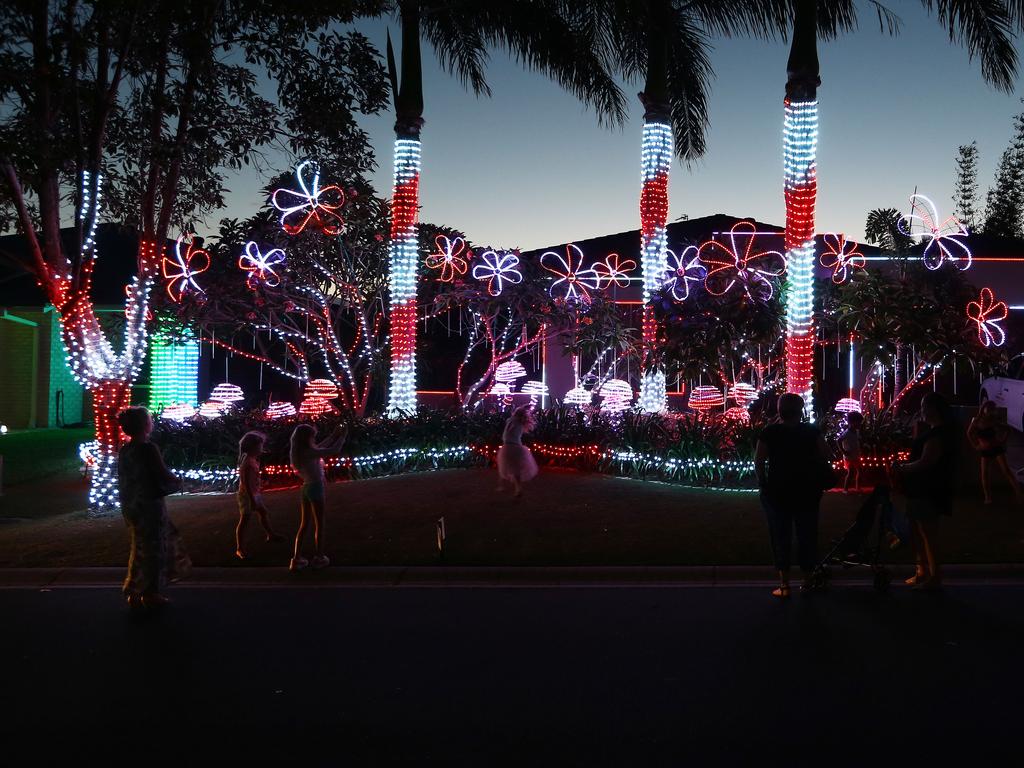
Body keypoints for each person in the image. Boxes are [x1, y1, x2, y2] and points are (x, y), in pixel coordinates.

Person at [754, 393, 829, 598]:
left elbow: (759, 460)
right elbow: (825, 454)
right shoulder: (811, 431)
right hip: (807, 490)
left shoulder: (770, 432)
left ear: (780, 410)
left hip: (778, 491)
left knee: (780, 534)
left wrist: (763, 484)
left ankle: (784, 583)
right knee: (807, 534)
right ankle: (807, 579)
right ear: (800, 409)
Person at [116, 406, 191, 609]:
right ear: (145, 425)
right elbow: (162, 473)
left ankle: (134, 590)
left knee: (139, 547)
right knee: (155, 548)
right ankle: (151, 592)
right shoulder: (148, 449)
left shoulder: (125, 450)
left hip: (132, 505)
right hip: (150, 504)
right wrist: (178, 481)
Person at [894, 393, 959, 590]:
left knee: (928, 534)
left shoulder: (937, 434)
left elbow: (926, 462)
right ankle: (921, 572)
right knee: (916, 532)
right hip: (919, 489)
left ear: (934, 409)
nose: (921, 410)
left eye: (924, 406)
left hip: (928, 489)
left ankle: (934, 576)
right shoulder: (934, 431)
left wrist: (902, 468)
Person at [289, 422, 347, 572]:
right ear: (306, 438)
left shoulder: (300, 452)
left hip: (306, 488)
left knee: (304, 524)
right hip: (315, 487)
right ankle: (320, 557)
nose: (314, 440)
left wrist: (334, 435)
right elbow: (333, 450)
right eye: (312, 437)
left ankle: (296, 559)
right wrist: (343, 436)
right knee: (319, 524)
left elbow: (319, 447)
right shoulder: (308, 452)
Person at [235, 431, 285, 560]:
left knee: (263, 512)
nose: (261, 449)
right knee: (244, 520)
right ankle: (239, 548)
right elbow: (245, 482)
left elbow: (251, 479)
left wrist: (259, 484)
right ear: (252, 447)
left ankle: (270, 534)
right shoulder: (247, 462)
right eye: (260, 446)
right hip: (247, 495)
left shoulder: (251, 460)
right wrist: (252, 499)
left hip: (254, 493)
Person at [967, 400, 1022, 505]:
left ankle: (1019, 493)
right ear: (983, 409)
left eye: (993, 409)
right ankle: (988, 497)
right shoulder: (976, 421)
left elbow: (1008, 429)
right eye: (989, 408)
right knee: (985, 474)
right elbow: (969, 433)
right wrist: (976, 446)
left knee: (1006, 470)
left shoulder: (993, 421)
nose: (991, 411)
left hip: (996, 448)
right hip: (985, 450)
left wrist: (1002, 441)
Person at [496, 404, 539, 497]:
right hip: (515, 446)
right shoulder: (519, 422)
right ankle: (516, 488)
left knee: (507, 467)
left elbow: (509, 428)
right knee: (514, 469)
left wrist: (524, 407)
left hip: (510, 446)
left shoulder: (513, 421)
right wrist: (525, 407)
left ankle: (510, 487)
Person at [838, 411, 864, 493]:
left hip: (856, 455)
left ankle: (857, 487)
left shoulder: (856, 431)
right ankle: (845, 489)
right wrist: (843, 451)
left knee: (859, 470)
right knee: (851, 472)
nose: (860, 424)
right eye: (859, 423)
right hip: (849, 456)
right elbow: (838, 440)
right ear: (852, 422)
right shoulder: (847, 433)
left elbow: (856, 441)